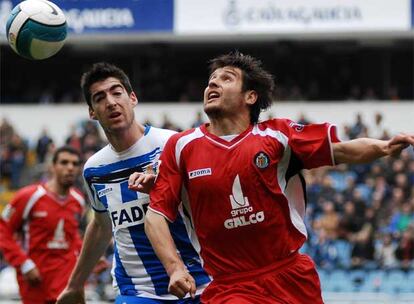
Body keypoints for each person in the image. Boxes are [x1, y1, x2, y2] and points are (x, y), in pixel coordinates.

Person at [144, 52, 414, 303]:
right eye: (211, 80)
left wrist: (384, 147)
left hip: (291, 277)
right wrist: (175, 268)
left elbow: (341, 150)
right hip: (231, 287)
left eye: (226, 78)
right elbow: (156, 215)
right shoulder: (182, 147)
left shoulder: (278, 136)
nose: (212, 84)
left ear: (250, 96)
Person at [57, 62, 210, 304]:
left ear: (133, 98)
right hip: (137, 291)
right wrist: (75, 284)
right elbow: (100, 225)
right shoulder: (94, 169)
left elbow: (209, 200)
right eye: (99, 98)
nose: (110, 102)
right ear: (92, 112)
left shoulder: (173, 144)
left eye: (116, 92)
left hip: (198, 282)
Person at [0, 145, 85, 304]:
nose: (70, 168)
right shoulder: (29, 196)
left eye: (75, 164)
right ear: (52, 166)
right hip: (36, 280)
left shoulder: (78, 200)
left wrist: (87, 257)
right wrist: (24, 264)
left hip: (66, 280)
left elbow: (72, 236)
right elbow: (3, 230)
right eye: (64, 162)